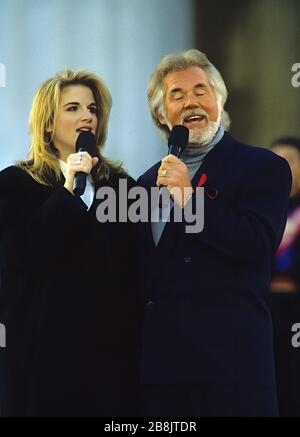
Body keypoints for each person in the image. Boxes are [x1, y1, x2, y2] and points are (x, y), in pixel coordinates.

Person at [137, 49, 292, 416]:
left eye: (201, 90)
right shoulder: (144, 184)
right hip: (164, 377)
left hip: (232, 373)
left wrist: (189, 199)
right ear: (161, 114)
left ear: (219, 102)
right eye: (177, 95)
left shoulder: (263, 167)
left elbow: (256, 244)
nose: (191, 101)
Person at [0, 70, 142, 416]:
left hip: (109, 361)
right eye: (73, 108)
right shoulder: (15, 184)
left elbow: (135, 269)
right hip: (42, 359)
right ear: (48, 123)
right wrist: (67, 192)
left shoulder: (121, 186)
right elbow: (25, 256)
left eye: (92, 109)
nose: (86, 117)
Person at [270, 136, 300, 417]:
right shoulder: (263, 209)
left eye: (290, 161)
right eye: (276, 162)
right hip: (266, 309)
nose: (283, 169)